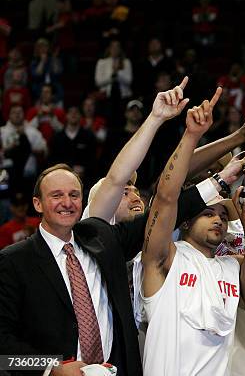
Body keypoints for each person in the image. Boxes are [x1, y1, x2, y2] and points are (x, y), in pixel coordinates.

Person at [0, 82, 212, 375]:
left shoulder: (99, 237)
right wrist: (51, 368)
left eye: (74, 195)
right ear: (37, 204)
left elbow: (162, 209)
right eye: (56, 195)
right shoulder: (13, 261)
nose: (67, 202)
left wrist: (219, 181)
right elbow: (3, 351)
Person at [140, 89, 245, 375]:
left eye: (224, 215)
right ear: (185, 221)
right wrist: (191, 136)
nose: (218, 220)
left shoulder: (231, 265)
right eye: (208, 213)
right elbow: (165, 196)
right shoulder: (166, 258)